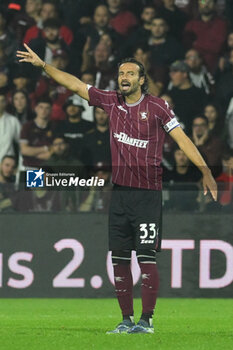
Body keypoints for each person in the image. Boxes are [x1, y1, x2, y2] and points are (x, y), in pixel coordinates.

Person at [17, 43, 217, 334]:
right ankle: (126, 319)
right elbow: (74, 84)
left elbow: (183, 139)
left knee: (146, 257)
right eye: (120, 73)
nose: (123, 77)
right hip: (120, 193)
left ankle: (146, 321)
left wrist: (206, 171)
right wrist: (44, 66)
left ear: (141, 80)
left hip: (148, 194)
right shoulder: (111, 102)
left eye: (130, 74)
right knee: (120, 259)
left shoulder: (158, 107)